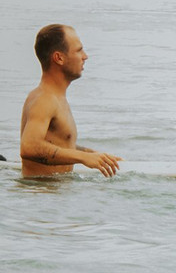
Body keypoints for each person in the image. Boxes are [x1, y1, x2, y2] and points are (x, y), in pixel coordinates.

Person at [20, 24, 123, 178]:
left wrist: (92, 154)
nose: (85, 56)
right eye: (78, 50)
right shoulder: (44, 99)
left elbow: (58, 144)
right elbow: (29, 147)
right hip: (42, 196)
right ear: (59, 58)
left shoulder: (55, 97)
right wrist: (82, 158)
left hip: (53, 195)